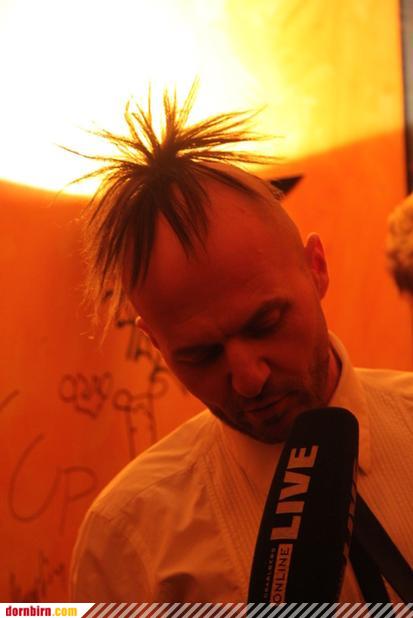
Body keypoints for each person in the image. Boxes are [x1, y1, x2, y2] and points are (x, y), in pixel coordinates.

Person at [70, 87, 413, 602]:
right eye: (200, 354)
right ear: (157, 345)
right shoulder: (129, 537)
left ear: (316, 268)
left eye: (266, 322)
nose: (250, 379)